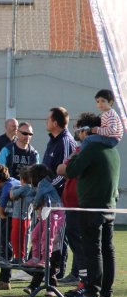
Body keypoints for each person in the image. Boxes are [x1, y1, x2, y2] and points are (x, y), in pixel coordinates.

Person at [59, 122, 120, 297]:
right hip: (109, 206)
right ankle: (106, 292)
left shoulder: (90, 148)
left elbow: (71, 171)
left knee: (92, 250)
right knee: (107, 250)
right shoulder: (113, 150)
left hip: (91, 206)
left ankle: (92, 292)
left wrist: (75, 155)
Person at [57, 113, 100, 287]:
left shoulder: (87, 149)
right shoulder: (81, 148)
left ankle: (85, 281)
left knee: (81, 242)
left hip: (79, 202)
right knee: (79, 241)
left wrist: (65, 167)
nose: (76, 132)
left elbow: (65, 169)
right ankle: (80, 276)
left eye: (79, 128)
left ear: (85, 130)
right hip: (74, 202)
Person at [42, 107, 77, 279]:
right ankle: (44, 269)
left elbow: (63, 175)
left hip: (61, 198)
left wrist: (47, 190)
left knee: (60, 236)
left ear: (55, 123)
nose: (46, 121)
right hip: (49, 197)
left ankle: (58, 271)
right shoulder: (52, 140)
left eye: (48, 119)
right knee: (48, 234)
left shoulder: (65, 141)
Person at [22, 165, 65, 297]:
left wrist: (35, 205)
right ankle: (36, 258)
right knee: (35, 235)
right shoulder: (42, 184)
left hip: (55, 212)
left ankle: (46, 282)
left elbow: (37, 197)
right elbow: (32, 195)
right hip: (47, 214)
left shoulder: (43, 183)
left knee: (48, 239)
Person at [8, 166, 35, 265]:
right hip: (26, 217)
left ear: (22, 179)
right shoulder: (31, 188)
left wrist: (12, 189)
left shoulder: (24, 188)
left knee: (17, 237)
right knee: (24, 237)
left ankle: (19, 257)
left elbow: (12, 195)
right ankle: (22, 256)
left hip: (19, 217)